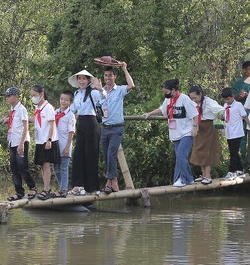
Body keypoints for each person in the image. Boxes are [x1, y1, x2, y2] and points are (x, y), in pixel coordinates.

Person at [142, 78, 199, 187]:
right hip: (175, 133)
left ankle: (183, 179)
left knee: (181, 155)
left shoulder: (184, 99)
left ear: (173, 90)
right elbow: (161, 109)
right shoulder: (168, 100)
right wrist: (150, 113)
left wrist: (195, 128)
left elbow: (195, 114)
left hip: (187, 132)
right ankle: (188, 178)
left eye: (166, 92)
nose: (165, 94)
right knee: (179, 156)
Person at [98, 61, 135, 193]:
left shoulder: (119, 90)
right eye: (106, 75)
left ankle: (109, 182)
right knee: (107, 156)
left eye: (110, 75)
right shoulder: (100, 91)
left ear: (115, 77)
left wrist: (124, 69)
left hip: (116, 128)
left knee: (111, 154)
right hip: (104, 128)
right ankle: (114, 183)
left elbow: (131, 85)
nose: (108, 78)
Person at [67, 69, 104, 195]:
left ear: (88, 80)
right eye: (79, 79)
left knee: (91, 155)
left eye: (84, 79)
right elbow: (72, 109)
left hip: (91, 123)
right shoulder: (76, 93)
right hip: (81, 123)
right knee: (78, 155)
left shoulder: (93, 93)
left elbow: (103, 99)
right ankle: (78, 185)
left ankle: (92, 187)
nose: (81, 81)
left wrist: (100, 88)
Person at [1, 86, 37, 201]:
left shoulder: (22, 109)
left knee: (23, 167)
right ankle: (19, 192)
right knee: (14, 168)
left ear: (16, 97)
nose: (6, 98)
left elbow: (25, 127)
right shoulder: (13, 110)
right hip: (13, 142)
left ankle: (32, 187)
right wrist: (8, 119)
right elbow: (14, 121)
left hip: (21, 142)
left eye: (9, 96)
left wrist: (21, 143)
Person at [187, 84, 223, 185]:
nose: (193, 99)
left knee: (207, 151)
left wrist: (218, 117)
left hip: (209, 127)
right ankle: (203, 174)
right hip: (199, 127)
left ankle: (208, 176)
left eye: (195, 97)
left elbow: (220, 110)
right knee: (199, 151)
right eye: (192, 98)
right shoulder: (193, 103)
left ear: (201, 94)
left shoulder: (209, 102)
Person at [30, 85, 60, 199]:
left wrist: (49, 140)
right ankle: (45, 187)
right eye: (32, 96)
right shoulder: (38, 108)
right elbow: (35, 119)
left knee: (47, 165)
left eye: (34, 95)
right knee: (42, 165)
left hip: (47, 140)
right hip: (39, 140)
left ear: (41, 95)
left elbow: (52, 125)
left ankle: (47, 189)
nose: (33, 98)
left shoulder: (48, 108)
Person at [219, 87, 247, 180]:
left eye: (228, 99)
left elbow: (245, 116)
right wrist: (220, 117)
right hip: (229, 132)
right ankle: (240, 170)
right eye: (225, 99)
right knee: (234, 152)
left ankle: (231, 171)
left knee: (233, 153)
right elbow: (225, 117)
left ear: (232, 97)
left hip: (237, 132)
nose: (227, 101)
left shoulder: (238, 105)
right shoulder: (225, 105)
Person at [231, 60, 250, 165]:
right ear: (244, 70)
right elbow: (232, 98)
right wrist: (239, 96)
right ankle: (243, 159)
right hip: (241, 114)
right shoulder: (238, 83)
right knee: (242, 137)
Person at [54, 91, 75, 197]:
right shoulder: (55, 112)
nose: (63, 101)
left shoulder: (70, 115)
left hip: (65, 146)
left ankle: (64, 189)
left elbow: (71, 132)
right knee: (56, 168)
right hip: (55, 146)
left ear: (70, 102)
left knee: (63, 168)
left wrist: (67, 147)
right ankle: (61, 187)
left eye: (66, 100)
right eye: (62, 99)